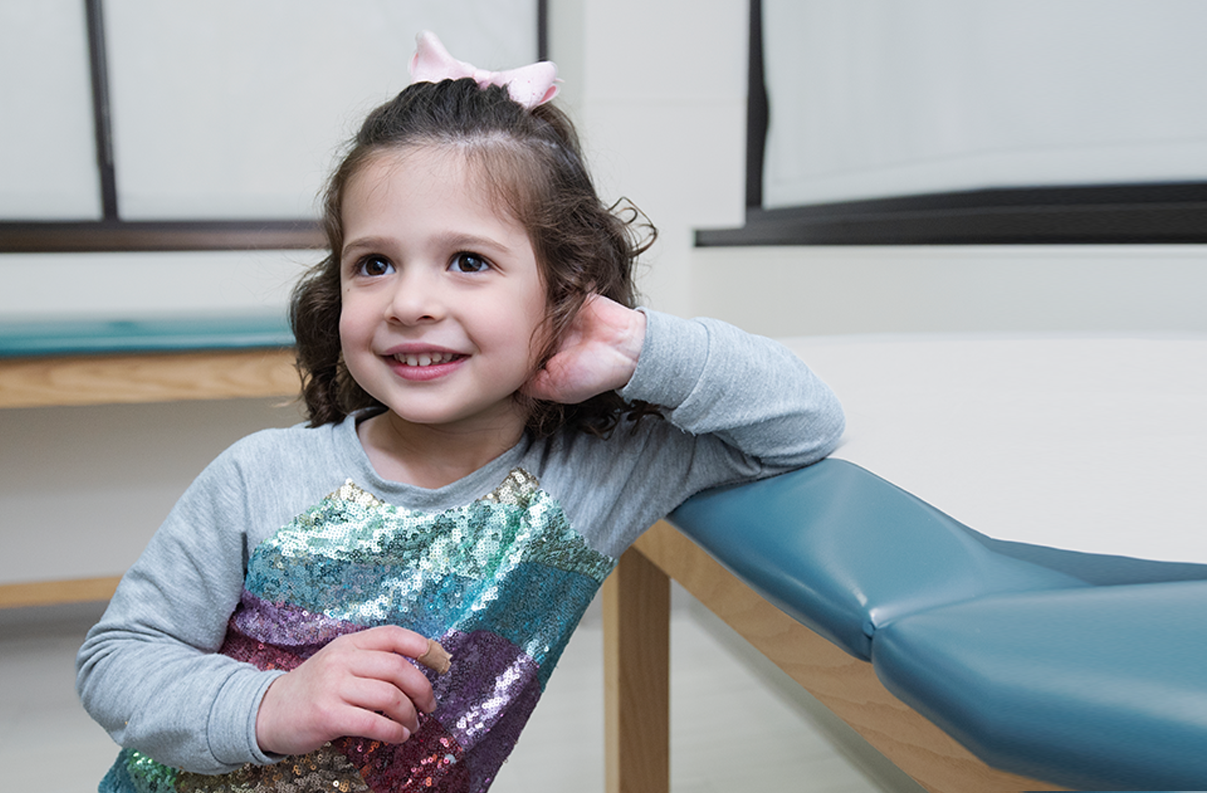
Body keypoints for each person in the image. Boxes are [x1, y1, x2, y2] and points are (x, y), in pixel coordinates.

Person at [76, 30, 843, 793]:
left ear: (564, 285)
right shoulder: (259, 474)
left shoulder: (600, 472)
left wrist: (634, 341)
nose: (410, 302)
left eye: (468, 261)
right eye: (374, 264)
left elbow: (803, 420)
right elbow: (117, 661)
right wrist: (270, 703)